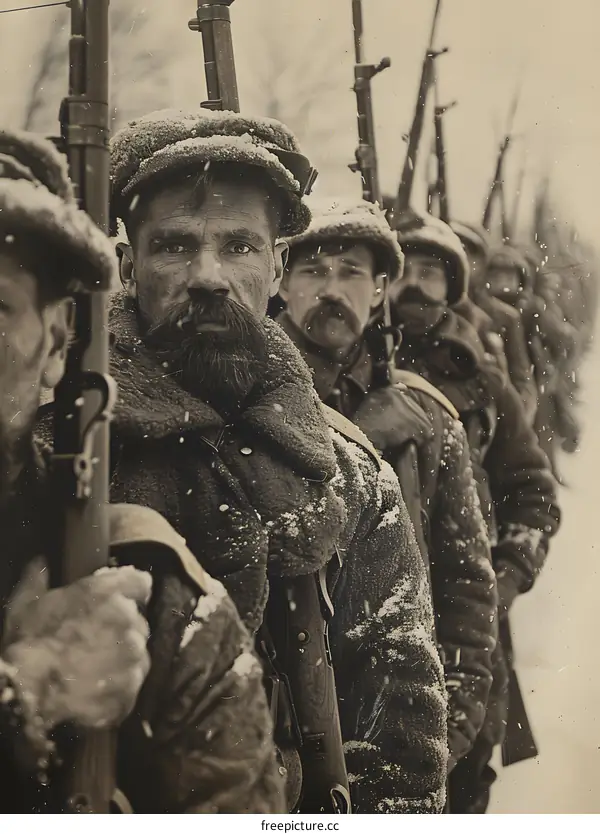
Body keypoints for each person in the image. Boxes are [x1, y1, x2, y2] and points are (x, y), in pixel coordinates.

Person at [107, 110, 448, 814]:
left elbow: (404, 750)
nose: (207, 276)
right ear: (125, 264)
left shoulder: (349, 474)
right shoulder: (54, 455)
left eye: (239, 246)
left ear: (277, 267)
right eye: (173, 245)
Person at [0, 129, 285, 813]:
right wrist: (20, 699)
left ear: (53, 344)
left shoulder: (146, 584)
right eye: (176, 244)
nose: (209, 275)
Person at [277, 198, 498, 776]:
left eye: (351, 272)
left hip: (396, 729)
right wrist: (355, 441)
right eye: (313, 270)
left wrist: (440, 738)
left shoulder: (429, 419)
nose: (332, 288)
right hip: (274, 739)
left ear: (379, 291)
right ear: (281, 281)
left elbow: (465, 588)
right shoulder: (239, 409)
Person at [390, 212, 561, 814]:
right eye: (402, 270)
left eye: (430, 274)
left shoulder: (483, 378)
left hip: (466, 622)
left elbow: (533, 493)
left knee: (462, 781)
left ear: (454, 288)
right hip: (372, 631)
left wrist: (504, 581)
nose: (413, 285)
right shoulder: (344, 369)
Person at [451, 221, 537, 424]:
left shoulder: (503, 317)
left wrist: (507, 423)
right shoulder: (425, 312)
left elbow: (522, 382)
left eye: (468, 254)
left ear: (481, 264)